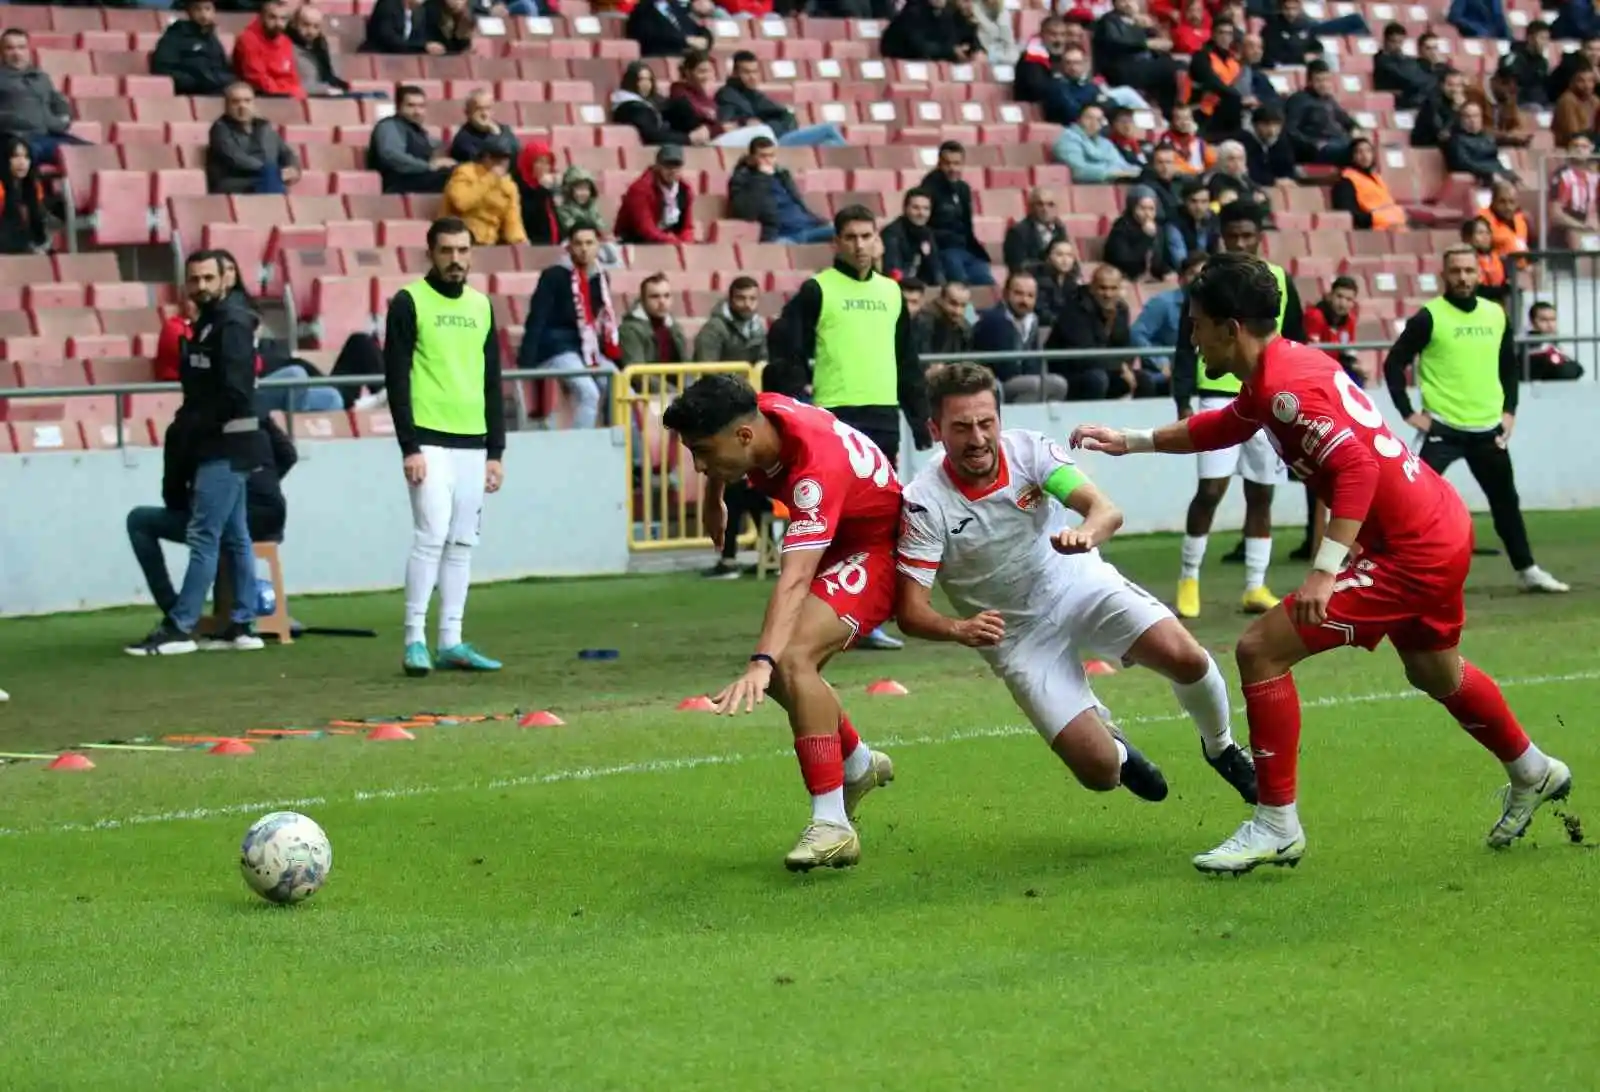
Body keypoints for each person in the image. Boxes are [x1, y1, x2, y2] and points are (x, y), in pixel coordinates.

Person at [1070, 252, 1575, 874]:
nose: (1191, 336)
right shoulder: (1285, 368)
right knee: (1434, 672)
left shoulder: (1284, 387)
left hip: (1410, 548)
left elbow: (1357, 468)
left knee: (1260, 650)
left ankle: (1276, 824)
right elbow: (1228, 423)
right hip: (1434, 524)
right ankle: (1534, 770)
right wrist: (1134, 441)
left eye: (1197, 323)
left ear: (1231, 328)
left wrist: (1324, 569)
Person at [896, 363, 1258, 803]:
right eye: (961, 427)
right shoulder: (922, 503)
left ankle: (1221, 748)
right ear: (936, 429)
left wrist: (1087, 533)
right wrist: (959, 629)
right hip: (1014, 635)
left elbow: (1104, 510)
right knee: (1099, 773)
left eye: (986, 422)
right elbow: (911, 612)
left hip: (1078, 584)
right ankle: (1118, 752)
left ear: (999, 420)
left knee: (1185, 657)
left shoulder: (1030, 452)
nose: (977, 438)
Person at [661, 375, 900, 871]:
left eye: (704, 452)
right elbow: (722, 445)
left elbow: (792, 581)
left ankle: (834, 826)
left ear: (744, 437)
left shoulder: (814, 471)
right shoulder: (757, 412)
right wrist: (713, 499)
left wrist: (759, 661)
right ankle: (856, 764)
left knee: (788, 660)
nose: (700, 465)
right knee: (784, 672)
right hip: (839, 531)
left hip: (876, 545)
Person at [769, 205, 933, 649]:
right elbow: (785, 349)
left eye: (867, 236)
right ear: (836, 242)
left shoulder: (893, 293)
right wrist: (792, 408)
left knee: (878, 523)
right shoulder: (817, 289)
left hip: (881, 416)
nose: (860, 245)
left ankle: (859, 616)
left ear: (877, 239)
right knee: (826, 519)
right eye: (852, 237)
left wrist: (919, 418)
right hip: (834, 419)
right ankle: (808, 613)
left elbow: (907, 361)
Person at [1381, 248, 1569, 594]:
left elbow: (1508, 367)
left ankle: (1528, 570)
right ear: (1444, 276)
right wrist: (1409, 414)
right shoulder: (1429, 317)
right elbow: (1394, 364)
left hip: (1488, 429)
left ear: (1478, 274)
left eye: (1469, 270)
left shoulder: (1495, 314)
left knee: (1505, 503)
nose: (1463, 277)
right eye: (1456, 271)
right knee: (1408, 502)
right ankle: (1391, 573)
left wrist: (1509, 411)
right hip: (1442, 429)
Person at [125, 251, 269, 656]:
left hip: (224, 444)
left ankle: (180, 626)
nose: (201, 286)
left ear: (228, 277)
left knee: (204, 535)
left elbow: (235, 394)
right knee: (235, 536)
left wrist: (195, 427)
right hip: (228, 444)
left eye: (208, 277)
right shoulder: (210, 324)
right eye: (194, 279)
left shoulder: (232, 325)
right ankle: (242, 625)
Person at [383, 217, 507, 676]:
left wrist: (496, 451)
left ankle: (451, 639)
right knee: (430, 536)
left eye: (462, 250)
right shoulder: (409, 301)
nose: (455, 259)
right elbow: (395, 377)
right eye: (446, 251)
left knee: (461, 542)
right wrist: (408, 446)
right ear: (431, 253)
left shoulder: (481, 306)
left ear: (471, 253)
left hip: (473, 444)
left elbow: (491, 380)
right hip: (428, 441)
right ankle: (415, 638)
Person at [1170, 201, 1304, 619]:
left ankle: (1254, 585)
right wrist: (1183, 399)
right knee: (1211, 490)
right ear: (1221, 236)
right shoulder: (1206, 283)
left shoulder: (1280, 280)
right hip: (1216, 394)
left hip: (1267, 398)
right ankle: (1189, 577)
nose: (1242, 242)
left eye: (1249, 235)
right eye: (1234, 236)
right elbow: (1183, 344)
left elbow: (1296, 342)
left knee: (1261, 492)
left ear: (1260, 235)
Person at [127, 414, 296, 627]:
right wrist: (264, 483)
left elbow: (173, 493)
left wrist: (199, 501)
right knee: (231, 534)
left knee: (139, 521)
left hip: (226, 519)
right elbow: (289, 455)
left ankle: (174, 610)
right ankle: (241, 621)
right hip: (272, 520)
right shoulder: (257, 414)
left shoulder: (187, 426)